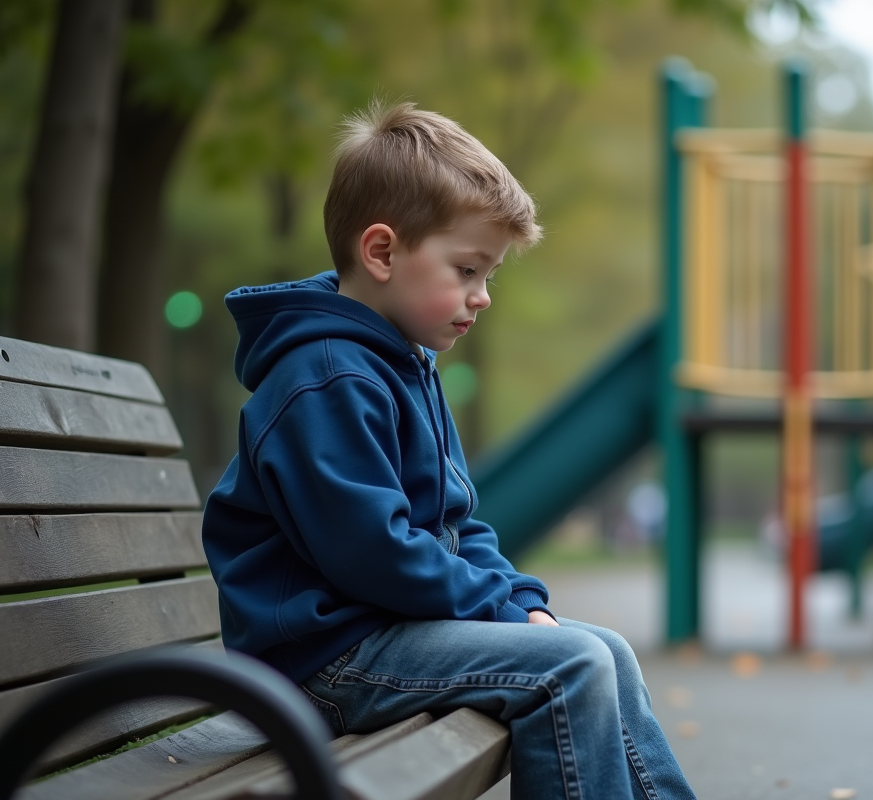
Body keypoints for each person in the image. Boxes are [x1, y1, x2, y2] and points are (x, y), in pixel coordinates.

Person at [202, 100, 696, 800]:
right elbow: (376, 553)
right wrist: (500, 608)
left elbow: (456, 525)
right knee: (572, 666)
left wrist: (521, 599)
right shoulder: (328, 378)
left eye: (488, 275)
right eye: (467, 270)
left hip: (379, 636)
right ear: (382, 253)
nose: (482, 295)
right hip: (321, 662)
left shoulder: (402, 363)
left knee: (604, 650)